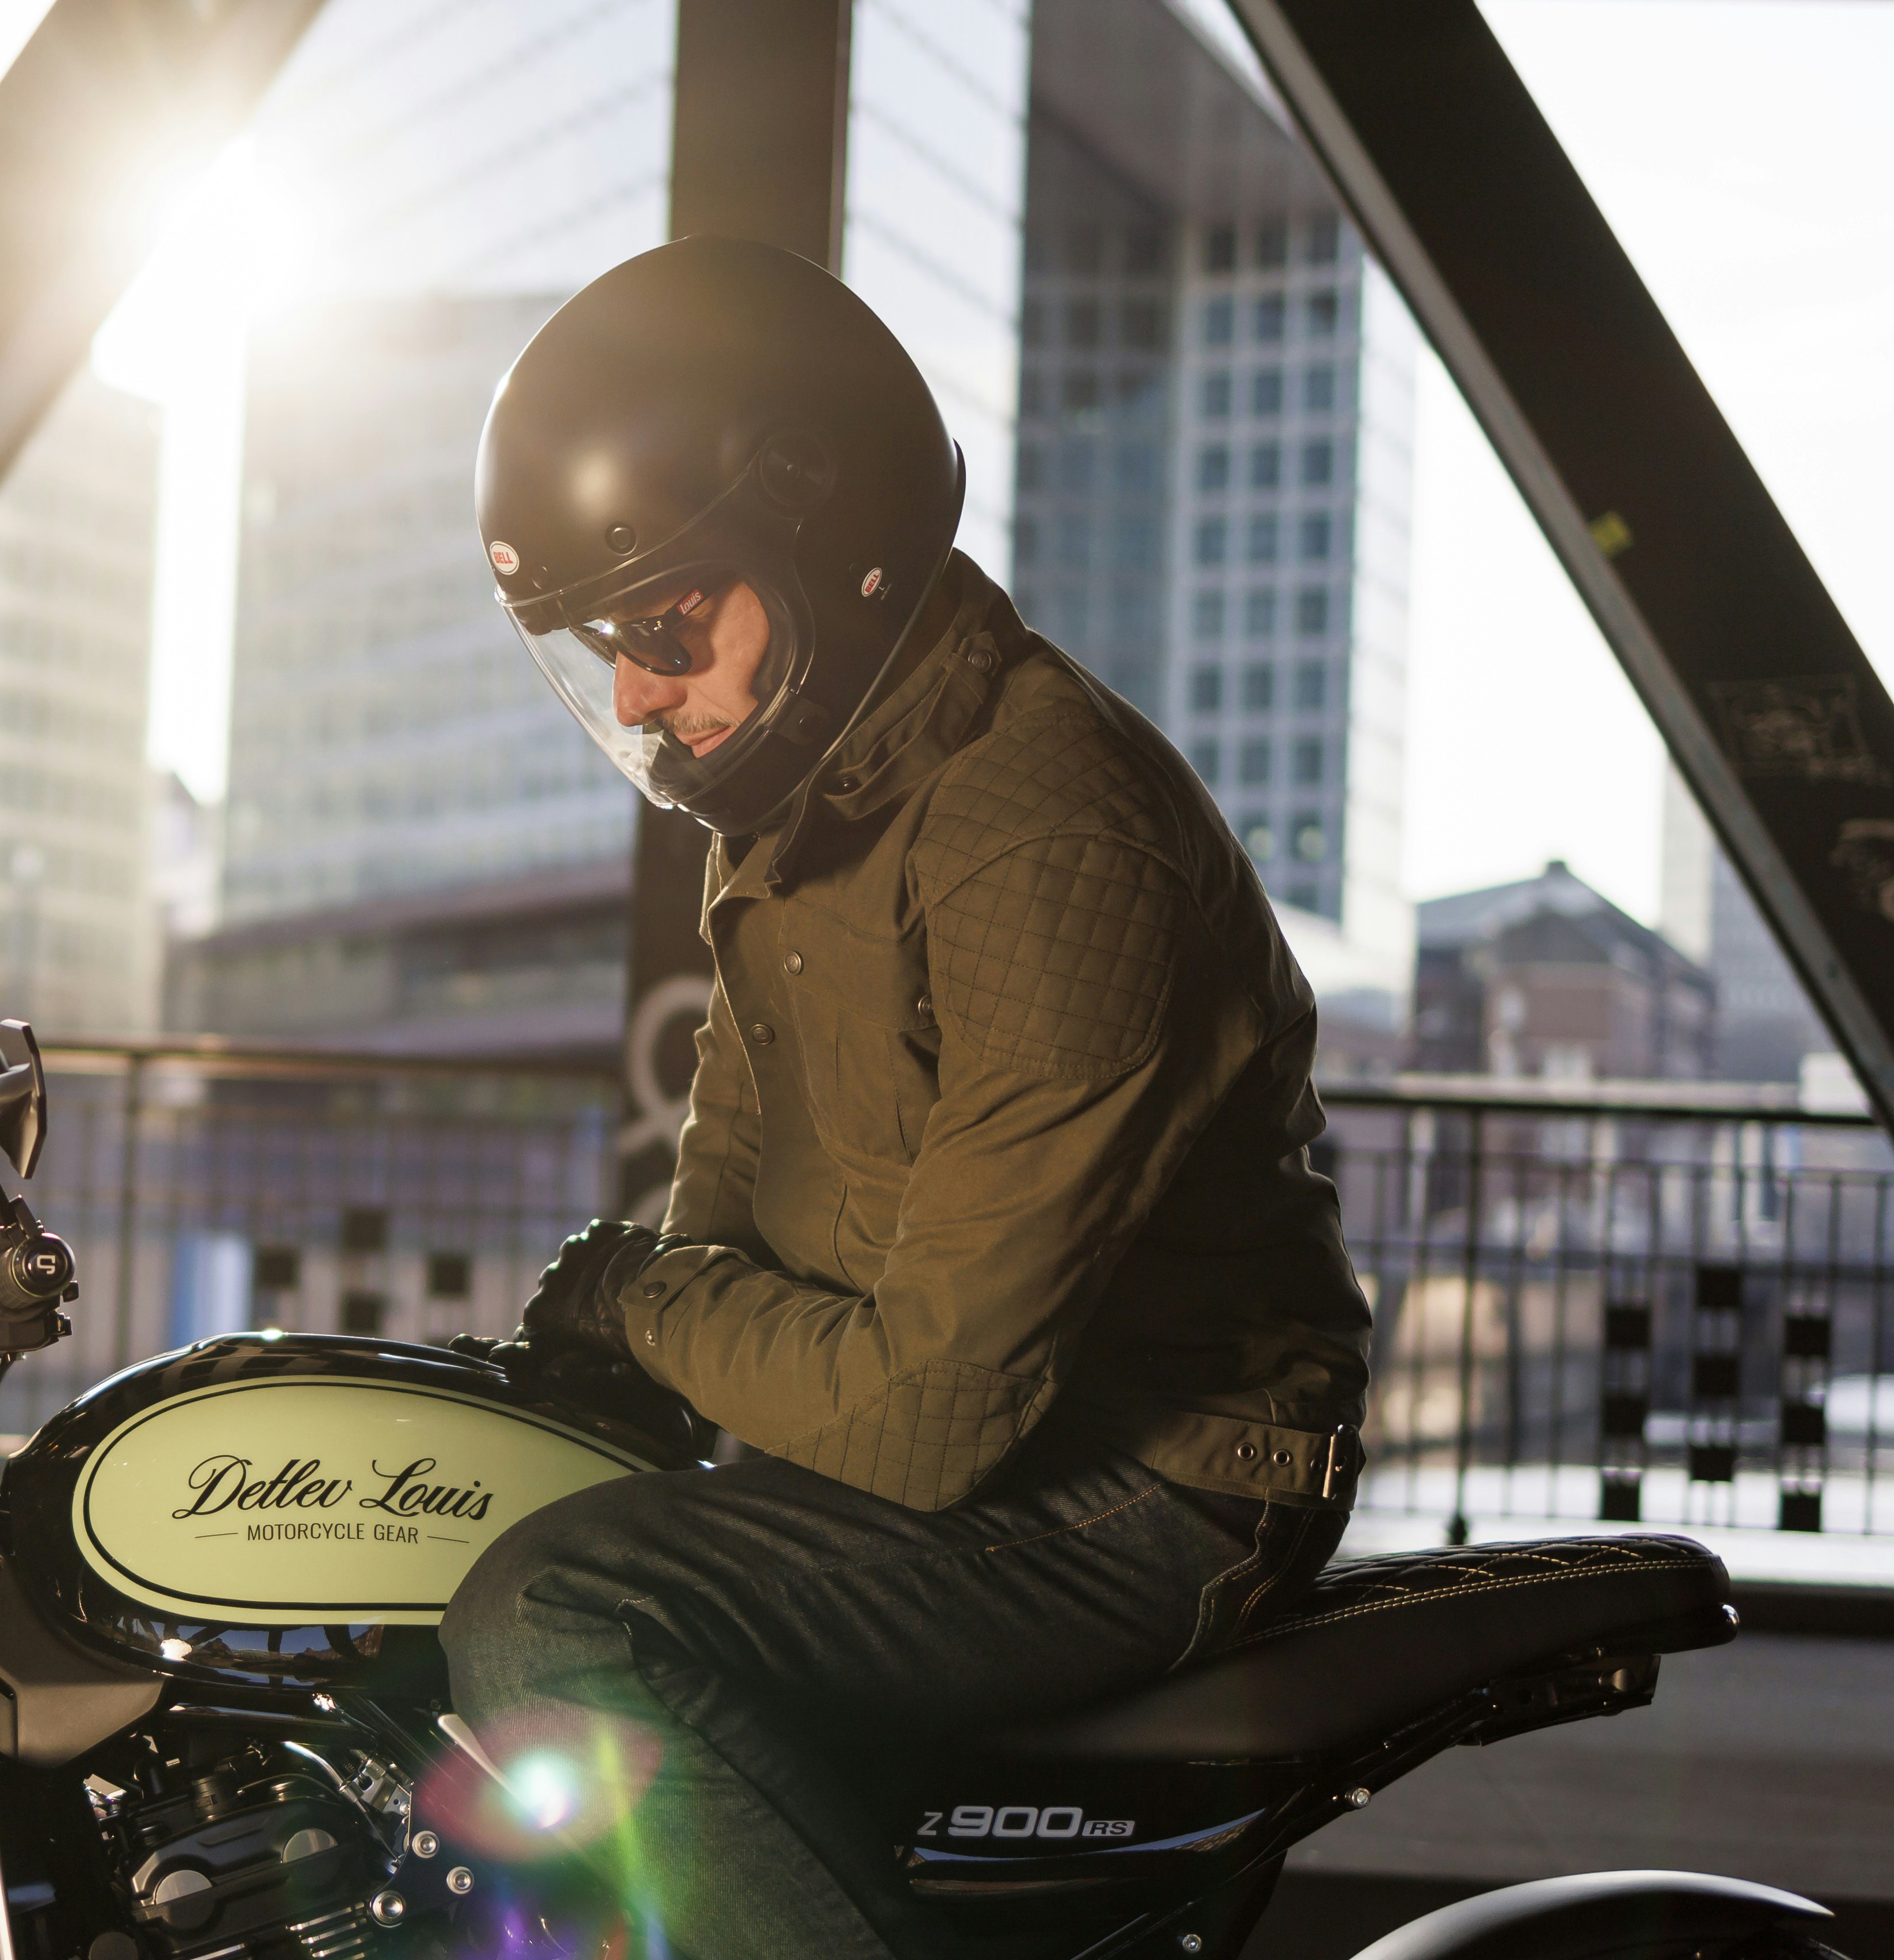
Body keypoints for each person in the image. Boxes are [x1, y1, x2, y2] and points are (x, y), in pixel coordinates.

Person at [438, 237, 1374, 1959]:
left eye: (662, 623)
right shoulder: (802, 802)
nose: (639, 693)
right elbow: (731, 1158)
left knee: (556, 1616)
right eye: (608, 647)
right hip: (980, 1429)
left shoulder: (1044, 832)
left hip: (1165, 1474)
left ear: (825, 537)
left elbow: (935, 1412)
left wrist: (652, 1309)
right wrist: (610, 1349)